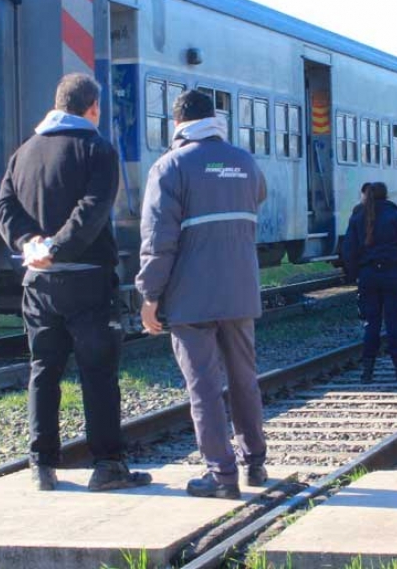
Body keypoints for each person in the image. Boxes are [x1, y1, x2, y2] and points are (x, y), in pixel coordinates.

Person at [0, 73, 152, 493]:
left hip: (38, 285)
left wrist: (30, 244)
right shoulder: (97, 150)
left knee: (43, 370)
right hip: (86, 282)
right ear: (92, 107)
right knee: (98, 373)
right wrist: (57, 248)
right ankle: (107, 466)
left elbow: (3, 206)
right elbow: (92, 211)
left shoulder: (24, 153)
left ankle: (42, 466)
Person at [136, 89, 267, 500]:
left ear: (177, 124)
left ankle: (222, 475)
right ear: (214, 120)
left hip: (191, 298)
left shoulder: (170, 166)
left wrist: (149, 294)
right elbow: (256, 201)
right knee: (245, 379)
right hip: (240, 290)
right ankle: (255, 463)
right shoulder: (245, 162)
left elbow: (159, 239)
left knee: (204, 388)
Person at [341, 182, 397, 383]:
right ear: (386, 195)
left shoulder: (358, 216)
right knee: (394, 324)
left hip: (368, 276)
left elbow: (348, 250)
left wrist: (354, 274)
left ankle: (367, 373)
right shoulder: (396, 216)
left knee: (371, 325)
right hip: (392, 275)